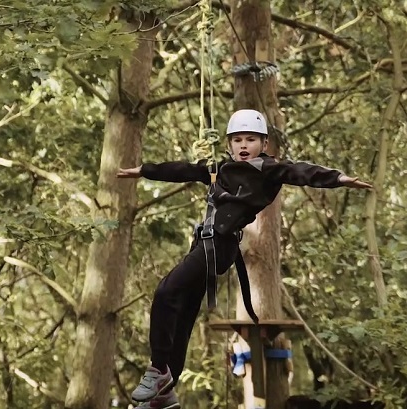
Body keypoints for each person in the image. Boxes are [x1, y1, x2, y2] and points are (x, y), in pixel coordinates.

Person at [117, 109, 372, 409]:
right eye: (237, 140)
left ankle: (158, 370)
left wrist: (340, 179)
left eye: (250, 139)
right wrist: (143, 170)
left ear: (263, 144)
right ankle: (165, 393)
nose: (243, 145)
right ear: (229, 144)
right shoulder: (219, 169)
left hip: (220, 245)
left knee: (166, 292)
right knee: (183, 312)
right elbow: (182, 169)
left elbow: (303, 172)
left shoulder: (269, 169)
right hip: (203, 243)